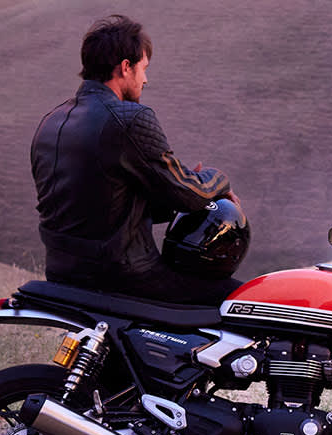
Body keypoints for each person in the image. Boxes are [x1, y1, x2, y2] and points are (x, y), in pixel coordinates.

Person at [30, 14, 242, 305]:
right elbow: (189, 195)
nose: (146, 79)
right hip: (122, 275)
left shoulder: (50, 122)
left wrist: (169, 192)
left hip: (61, 271)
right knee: (240, 298)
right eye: (143, 68)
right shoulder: (129, 119)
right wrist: (218, 180)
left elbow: (95, 207)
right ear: (125, 68)